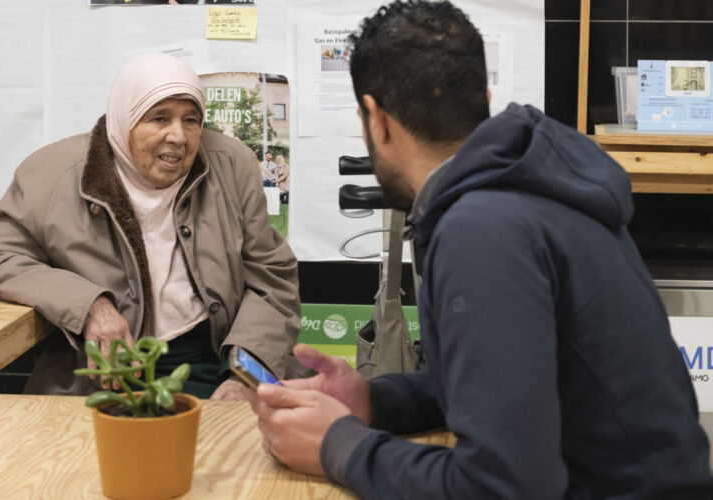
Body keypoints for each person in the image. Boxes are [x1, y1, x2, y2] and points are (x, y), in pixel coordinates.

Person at [250, 1, 713, 499]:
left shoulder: (482, 228)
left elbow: (502, 487)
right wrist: (376, 403)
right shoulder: (527, 195)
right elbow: (509, 390)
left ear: (376, 120)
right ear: (484, 95)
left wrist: (338, 446)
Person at [0, 53, 302, 400]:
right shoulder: (53, 173)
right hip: (100, 371)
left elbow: (271, 279)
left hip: (214, 359)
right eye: (159, 118)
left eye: (191, 120)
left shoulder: (232, 164)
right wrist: (90, 306)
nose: (179, 137)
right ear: (124, 119)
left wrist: (246, 375)